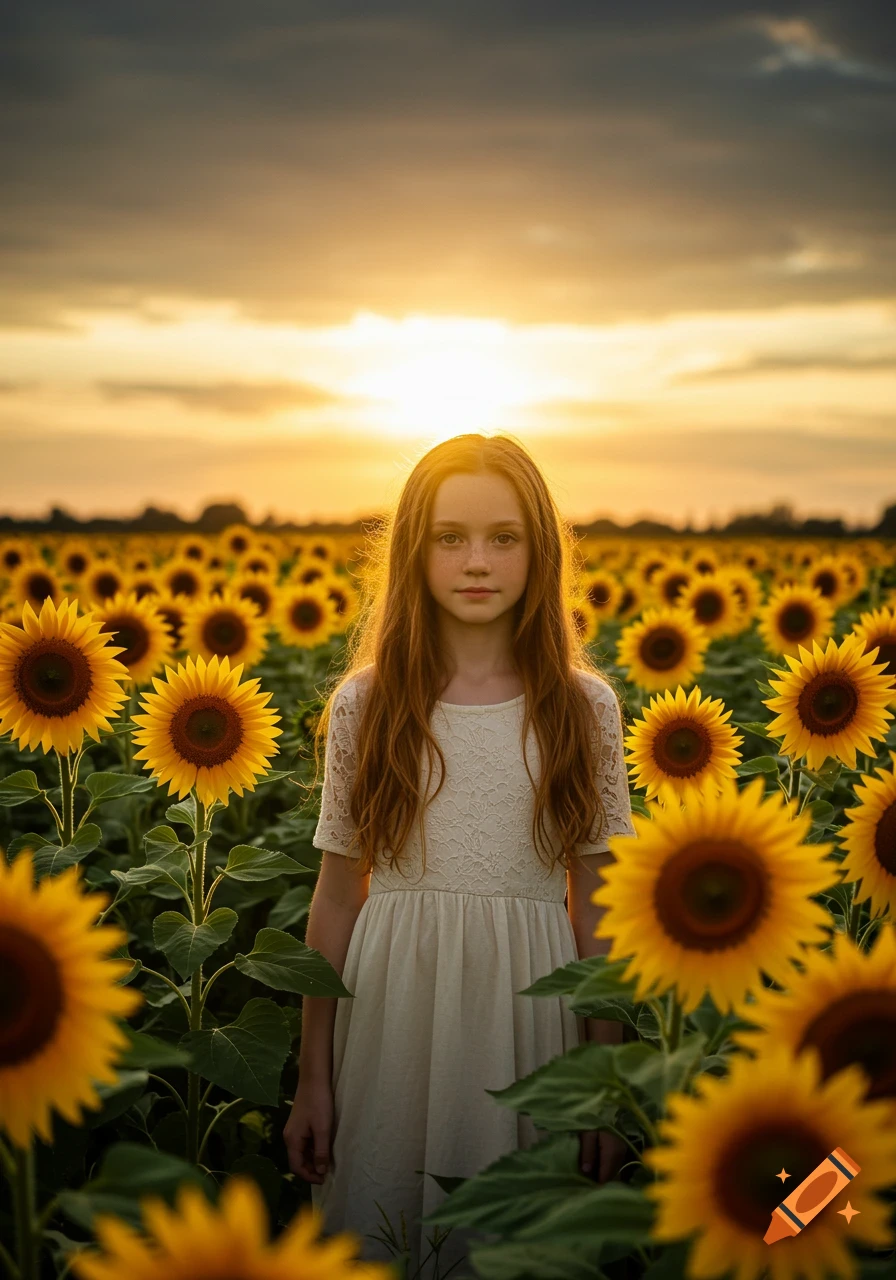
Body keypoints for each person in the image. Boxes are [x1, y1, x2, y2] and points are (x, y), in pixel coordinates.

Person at [283, 433, 636, 1278]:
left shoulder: (583, 709)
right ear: (416, 550)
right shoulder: (369, 703)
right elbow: (336, 897)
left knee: (523, 1240)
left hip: (531, 1006)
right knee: (388, 1223)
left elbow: (597, 907)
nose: (477, 561)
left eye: (504, 537)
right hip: (394, 1001)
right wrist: (312, 1077)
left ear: (539, 552)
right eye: (450, 537)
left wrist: (601, 1084)